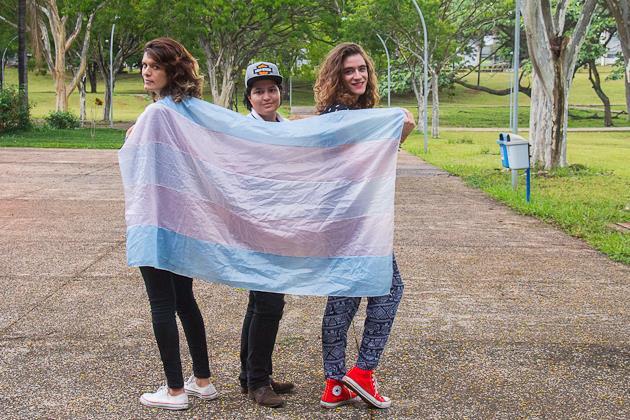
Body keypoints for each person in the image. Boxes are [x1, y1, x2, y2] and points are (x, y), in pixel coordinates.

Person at [313, 42, 415, 410]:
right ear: (335, 76)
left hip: (354, 219)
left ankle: (335, 383)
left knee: (343, 298)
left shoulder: (358, 113)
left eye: (362, 69)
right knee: (388, 290)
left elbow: (378, 161)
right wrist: (397, 128)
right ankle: (361, 372)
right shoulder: (340, 116)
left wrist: (397, 132)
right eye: (348, 71)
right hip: (350, 221)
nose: (357, 76)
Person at [135, 37, 218, 411]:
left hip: (156, 219)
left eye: (153, 65)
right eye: (143, 65)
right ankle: (202, 381)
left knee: (161, 304)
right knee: (184, 299)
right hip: (183, 220)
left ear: (171, 69)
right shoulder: (187, 110)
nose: (146, 72)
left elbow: (142, 163)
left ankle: (174, 392)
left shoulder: (157, 114)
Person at [237, 61, 294, 408]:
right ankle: (258, 383)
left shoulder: (290, 131)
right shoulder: (241, 130)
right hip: (254, 229)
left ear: (280, 92)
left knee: (260, 303)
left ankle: (251, 375)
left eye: (272, 89)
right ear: (249, 97)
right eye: (258, 91)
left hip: (282, 227)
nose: (266, 95)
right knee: (270, 304)